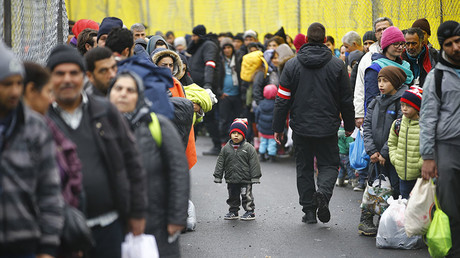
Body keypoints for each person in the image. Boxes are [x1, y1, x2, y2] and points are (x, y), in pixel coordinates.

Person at [46, 44, 147, 258]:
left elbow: (132, 162)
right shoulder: (41, 120)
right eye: (60, 73)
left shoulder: (105, 111)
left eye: (74, 73)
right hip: (61, 232)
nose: (67, 79)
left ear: (84, 77)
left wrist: (137, 213)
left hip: (108, 227)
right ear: (50, 78)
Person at [272, 23, 355, 224]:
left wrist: (277, 128)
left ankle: (309, 211)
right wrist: (350, 124)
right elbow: (346, 99)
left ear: (307, 40)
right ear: (325, 40)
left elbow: (282, 98)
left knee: (304, 167)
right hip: (328, 127)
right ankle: (323, 194)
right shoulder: (337, 65)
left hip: (300, 127)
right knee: (329, 165)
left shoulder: (292, 65)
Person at [109, 71, 190, 258]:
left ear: (139, 96)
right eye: (118, 88)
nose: (123, 94)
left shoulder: (158, 125)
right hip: (112, 224)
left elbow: (179, 171)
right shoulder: (98, 126)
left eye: (130, 90)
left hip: (156, 222)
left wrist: (177, 218)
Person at [0, 41, 64, 258]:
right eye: (7, 84)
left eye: (19, 83)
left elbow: (49, 192)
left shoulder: (35, 128)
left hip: (25, 244)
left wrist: (47, 247)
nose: (15, 91)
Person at [420, 21, 460, 258]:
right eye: (449, 44)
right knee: (450, 204)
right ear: (442, 47)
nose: (456, 47)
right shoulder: (436, 77)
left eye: (458, 41)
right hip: (447, 147)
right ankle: (454, 250)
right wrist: (428, 157)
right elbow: (427, 119)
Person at [360, 66, 407, 236]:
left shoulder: (401, 102)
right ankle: (365, 220)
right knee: (373, 186)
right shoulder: (375, 101)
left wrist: (384, 153)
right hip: (374, 156)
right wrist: (372, 150)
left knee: (392, 188)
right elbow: (366, 125)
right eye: (379, 80)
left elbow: (398, 129)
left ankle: (386, 221)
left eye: (385, 81)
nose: (380, 84)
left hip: (391, 156)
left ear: (395, 82)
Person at [353, 17, 393, 192]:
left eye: (386, 28)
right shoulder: (368, 58)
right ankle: (373, 194)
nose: (382, 32)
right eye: (379, 30)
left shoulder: (399, 55)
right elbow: (360, 88)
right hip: (374, 113)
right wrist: (359, 114)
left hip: (395, 113)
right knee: (374, 154)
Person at [213, 119, 262, 221]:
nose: (236, 135)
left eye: (239, 133)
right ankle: (233, 211)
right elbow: (220, 162)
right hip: (232, 178)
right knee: (232, 196)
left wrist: (255, 177)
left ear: (243, 135)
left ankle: (249, 211)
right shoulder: (226, 148)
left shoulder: (249, 148)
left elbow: (254, 163)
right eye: (234, 133)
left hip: (245, 179)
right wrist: (218, 176)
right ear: (230, 134)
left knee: (246, 196)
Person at [187, 24, 222, 155]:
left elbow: (210, 65)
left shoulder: (208, 45)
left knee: (209, 117)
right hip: (196, 87)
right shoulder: (198, 46)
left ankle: (217, 145)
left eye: (195, 36)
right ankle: (191, 146)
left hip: (204, 88)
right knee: (196, 117)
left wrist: (208, 85)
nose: (193, 38)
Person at [363, 26, 413, 112]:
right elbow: (371, 101)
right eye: (396, 44)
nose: (400, 47)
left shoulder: (406, 66)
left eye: (402, 44)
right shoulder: (375, 68)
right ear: (386, 45)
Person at [388, 86, 423, 199]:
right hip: (402, 175)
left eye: (408, 106)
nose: (404, 109)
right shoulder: (397, 124)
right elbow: (392, 143)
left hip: (420, 177)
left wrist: (420, 165)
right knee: (404, 204)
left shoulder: (424, 126)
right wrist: (395, 159)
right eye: (402, 105)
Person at [219, 37, 242, 143]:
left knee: (238, 120)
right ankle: (224, 141)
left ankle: (238, 141)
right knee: (224, 120)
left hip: (237, 95)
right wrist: (219, 92)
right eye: (225, 48)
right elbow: (215, 78)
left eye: (229, 47)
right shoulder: (220, 61)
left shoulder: (238, 59)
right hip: (225, 96)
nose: (227, 50)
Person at [255, 84, 277, 162]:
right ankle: (271, 156)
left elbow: (257, 114)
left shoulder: (261, 104)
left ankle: (262, 155)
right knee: (272, 142)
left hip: (262, 128)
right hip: (271, 129)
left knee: (263, 141)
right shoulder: (276, 105)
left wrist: (257, 123)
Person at [336, 120, 356, 187]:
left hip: (338, 153)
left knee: (342, 168)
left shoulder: (338, 132)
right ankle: (354, 182)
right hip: (345, 154)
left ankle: (340, 181)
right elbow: (349, 145)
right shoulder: (347, 134)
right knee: (349, 168)